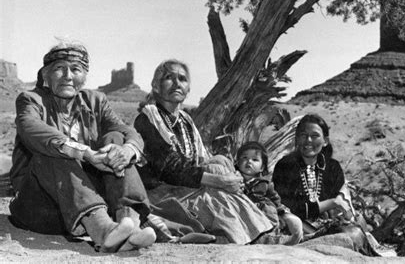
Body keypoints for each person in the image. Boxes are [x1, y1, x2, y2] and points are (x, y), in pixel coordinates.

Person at [9, 41, 156, 252]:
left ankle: (128, 224)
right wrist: (85, 152)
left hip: (76, 207)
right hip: (38, 205)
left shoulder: (96, 100)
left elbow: (127, 131)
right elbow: (30, 128)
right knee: (54, 149)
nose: (68, 75)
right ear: (46, 76)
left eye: (76, 69)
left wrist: (127, 151)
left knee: (115, 139)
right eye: (59, 68)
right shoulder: (30, 99)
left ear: (84, 76)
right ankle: (103, 231)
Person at [134, 59, 274, 244]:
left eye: (182, 79)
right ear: (156, 86)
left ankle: (257, 234)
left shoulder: (185, 120)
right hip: (162, 192)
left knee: (220, 164)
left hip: (185, 186)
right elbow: (169, 167)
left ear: (188, 88)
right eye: (169, 77)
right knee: (217, 187)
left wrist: (223, 171)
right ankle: (258, 238)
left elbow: (200, 159)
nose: (177, 83)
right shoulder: (149, 118)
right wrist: (220, 180)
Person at [272, 113, 375, 255]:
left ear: (325, 140)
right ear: (297, 139)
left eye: (314, 136)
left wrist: (344, 214)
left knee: (358, 223)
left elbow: (343, 205)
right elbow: (288, 208)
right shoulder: (285, 166)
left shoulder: (332, 167)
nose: (308, 140)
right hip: (298, 228)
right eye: (303, 135)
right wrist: (331, 203)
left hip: (329, 224)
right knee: (352, 235)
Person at [235, 141, 303, 245]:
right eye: (244, 158)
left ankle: (273, 236)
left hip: (262, 212)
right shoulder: (234, 179)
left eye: (255, 159)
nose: (249, 161)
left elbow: (275, 199)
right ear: (237, 162)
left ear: (262, 167)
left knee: (270, 211)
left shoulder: (265, 184)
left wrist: (282, 212)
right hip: (243, 210)